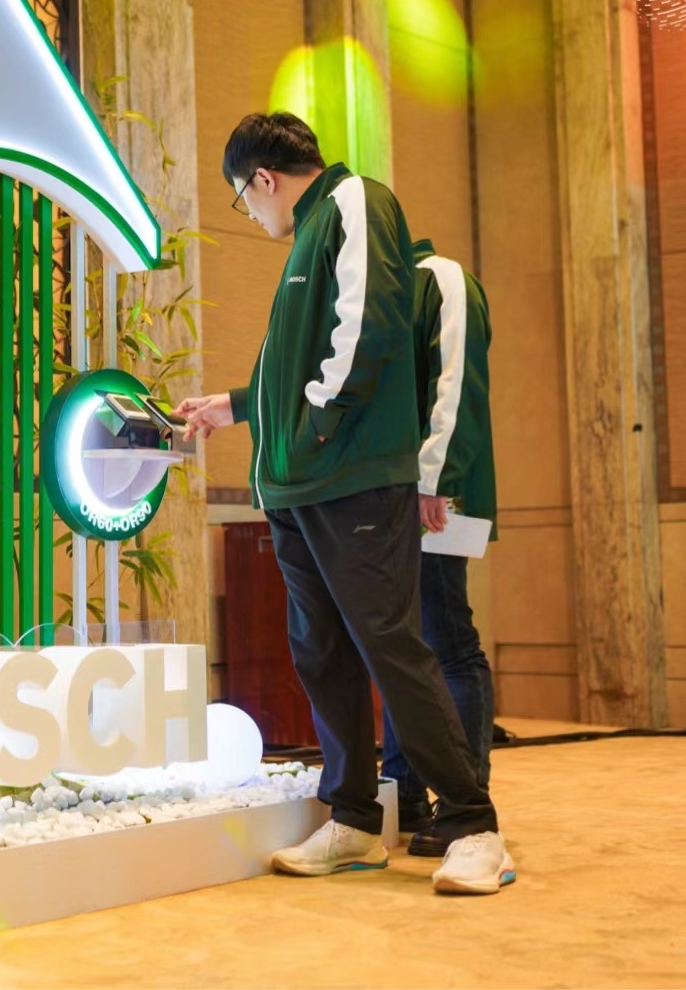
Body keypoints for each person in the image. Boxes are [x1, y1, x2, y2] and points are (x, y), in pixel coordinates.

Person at [176, 113, 513, 895]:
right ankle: (355, 821)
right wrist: (235, 407)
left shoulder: (352, 200)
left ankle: (473, 825)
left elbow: (368, 324)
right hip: (297, 489)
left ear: (263, 178)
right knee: (322, 653)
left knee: (392, 647)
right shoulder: (306, 243)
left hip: (351, 480)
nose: (250, 214)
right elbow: (296, 365)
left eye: (242, 198)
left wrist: (320, 429)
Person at [382, 238, 499, 859]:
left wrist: (434, 481)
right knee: (400, 645)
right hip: (390, 497)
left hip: (435, 494)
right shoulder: (377, 289)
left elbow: (456, 386)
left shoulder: (439, 277)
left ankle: (465, 800)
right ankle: (402, 792)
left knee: (447, 638)